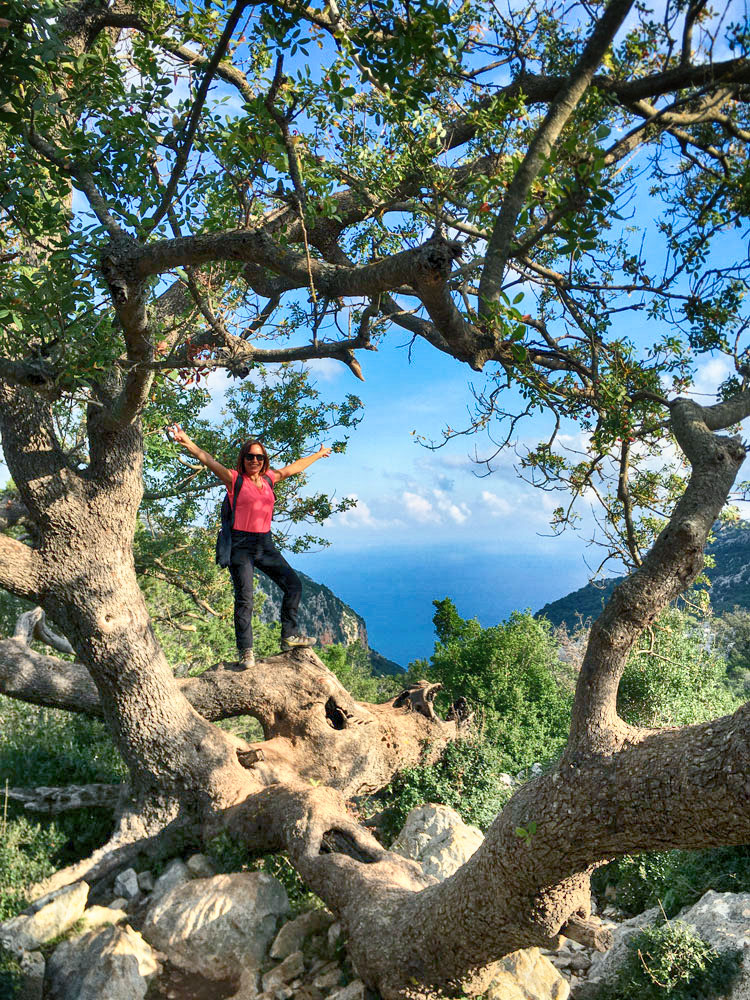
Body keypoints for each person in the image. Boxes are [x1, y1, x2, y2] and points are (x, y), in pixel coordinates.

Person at [167, 425, 332, 667]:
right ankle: (246, 651)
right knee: (245, 599)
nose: (254, 460)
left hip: (265, 543)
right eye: (250, 456)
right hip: (241, 545)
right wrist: (187, 442)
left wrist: (317, 455)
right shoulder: (235, 480)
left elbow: (292, 469)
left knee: (293, 585)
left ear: (264, 460)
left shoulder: (268, 479)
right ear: (243, 459)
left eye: (259, 457)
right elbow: (209, 460)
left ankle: (289, 635)